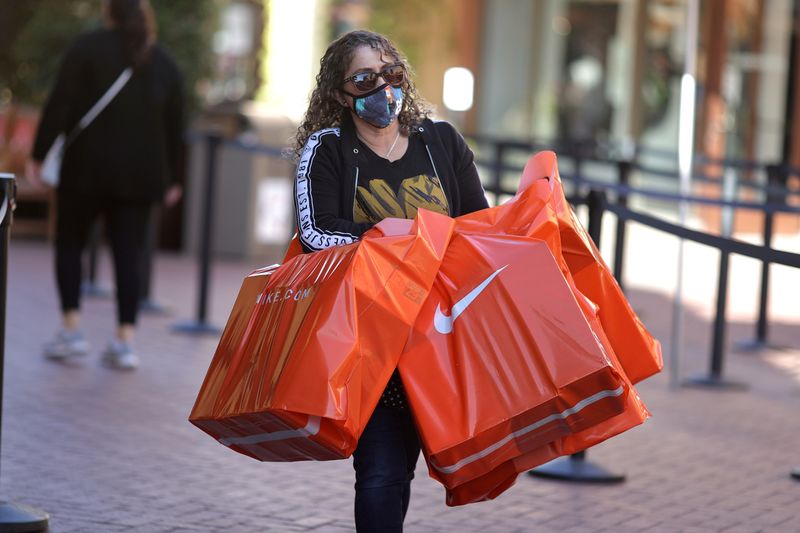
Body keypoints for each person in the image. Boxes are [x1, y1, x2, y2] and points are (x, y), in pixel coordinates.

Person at [293, 30, 488, 532]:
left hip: (441, 337)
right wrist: (404, 239)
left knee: (409, 468)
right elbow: (316, 234)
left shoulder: (441, 141)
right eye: (364, 78)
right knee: (381, 471)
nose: (382, 87)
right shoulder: (328, 149)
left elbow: (477, 229)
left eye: (391, 73)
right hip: (371, 339)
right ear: (340, 94)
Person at [27, 0, 184, 370]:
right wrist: (172, 178)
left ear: (109, 12)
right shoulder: (163, 62)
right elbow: (175, 125)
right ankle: (125, 341)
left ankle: (70, 330)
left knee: (70, 244)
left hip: (85, 170)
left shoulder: (86, 48)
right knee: (129, 256)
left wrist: (39, 153)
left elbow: (60, 103)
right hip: (139, 178)